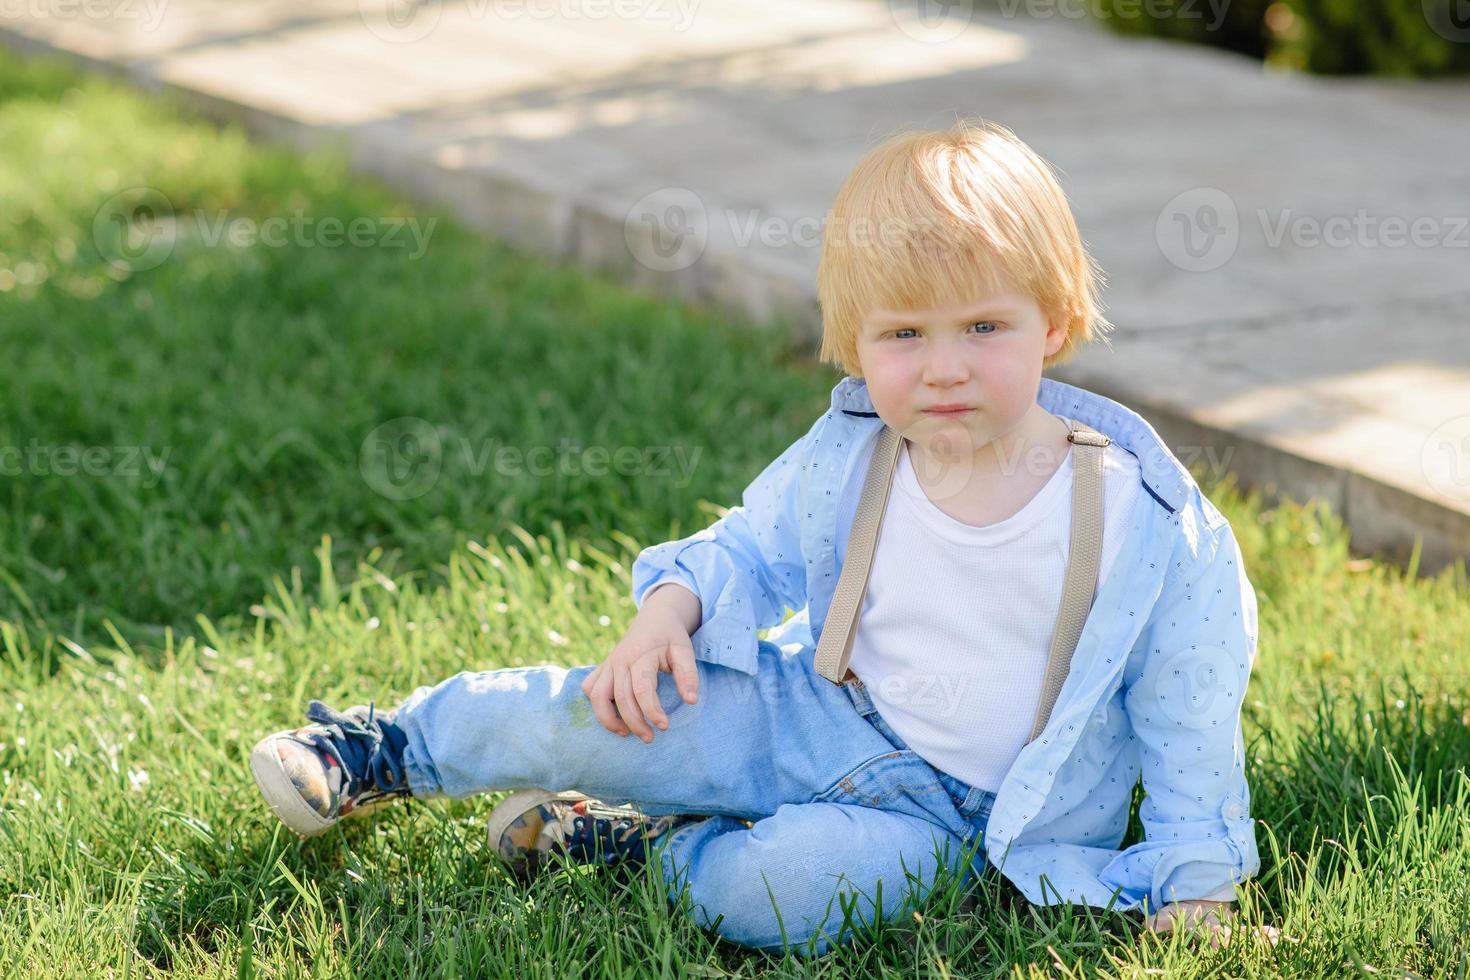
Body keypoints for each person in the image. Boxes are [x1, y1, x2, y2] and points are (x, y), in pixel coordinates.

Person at [250, 118, 1273, 955]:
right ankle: (386, 747)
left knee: (779, 888)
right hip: (815, 709)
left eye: (983, 327)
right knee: (594, 711)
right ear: (856, 344)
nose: (945, 367)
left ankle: (638, 848)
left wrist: (1199, 883)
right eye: (904, 335)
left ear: (1051, 323)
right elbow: (749, 546)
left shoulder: (1146, 523)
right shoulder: (858, 455)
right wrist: (671, 606)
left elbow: (1188, 707)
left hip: (964, 819)